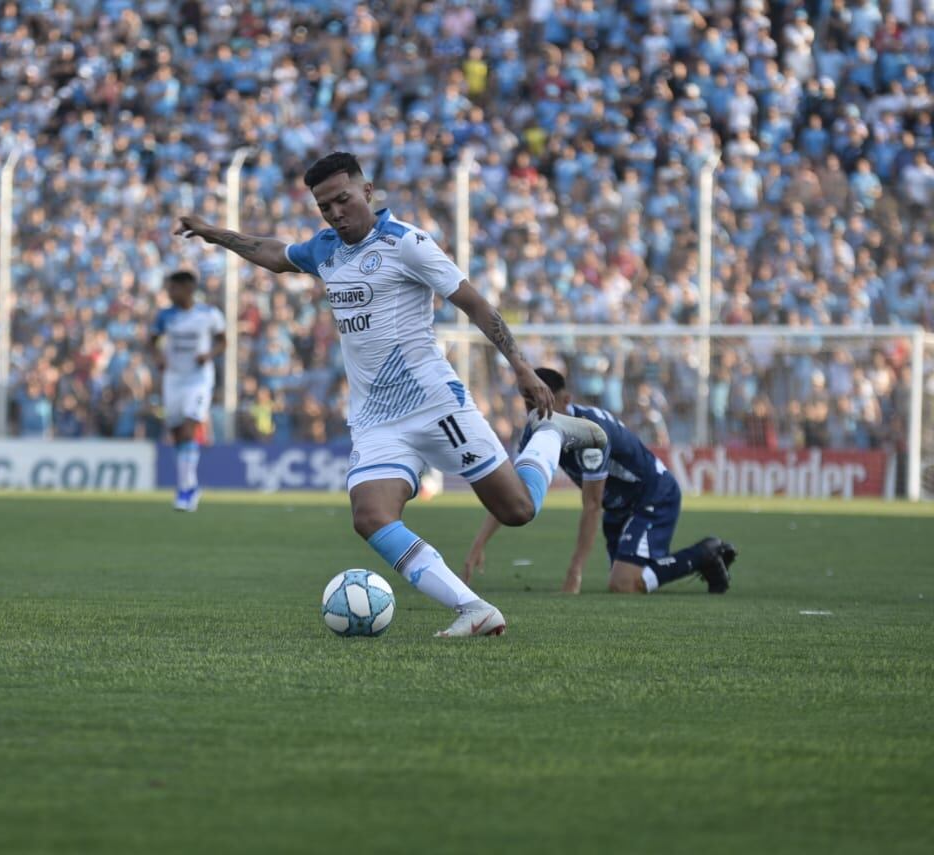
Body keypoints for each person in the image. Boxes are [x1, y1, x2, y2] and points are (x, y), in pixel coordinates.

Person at [177, 151, 607, 637]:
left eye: (342, 200)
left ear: (366, 191)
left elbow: (474, 302)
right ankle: (473, 609)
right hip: (377, 420)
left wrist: (522, 367)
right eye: (324, 207)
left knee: (517, 511)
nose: (336, 213)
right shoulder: (326, 251)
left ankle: (548, 436)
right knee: (369, 516)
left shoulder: (408, 244)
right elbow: (274, 254)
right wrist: (215, 233)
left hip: (435, 404)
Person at [462, 368, 737, 594]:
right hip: (618, 506)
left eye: (544, 400)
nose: (536, 410)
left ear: (565, 398)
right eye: (530, 403)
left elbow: (592, 505)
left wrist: (575, 571)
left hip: (652, 497)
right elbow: (512, 492)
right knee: (632, 578)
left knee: (624, 583)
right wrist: (478, 545)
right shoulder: (534, 432)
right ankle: (696, 561)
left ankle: (704, 553)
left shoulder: (590, 434)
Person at [149, 270, 226, 511]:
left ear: (188, 288)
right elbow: (151, 340)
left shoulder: (209, 314)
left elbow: (223, 341)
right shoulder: (165, 316)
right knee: (176, 432)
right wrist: (159, 357)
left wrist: (209, 355)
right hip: (173, 378)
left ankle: (185, 489)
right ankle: (189, 486)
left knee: (189, 426)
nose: (169, 293)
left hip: (198, 379)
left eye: (173, 288)